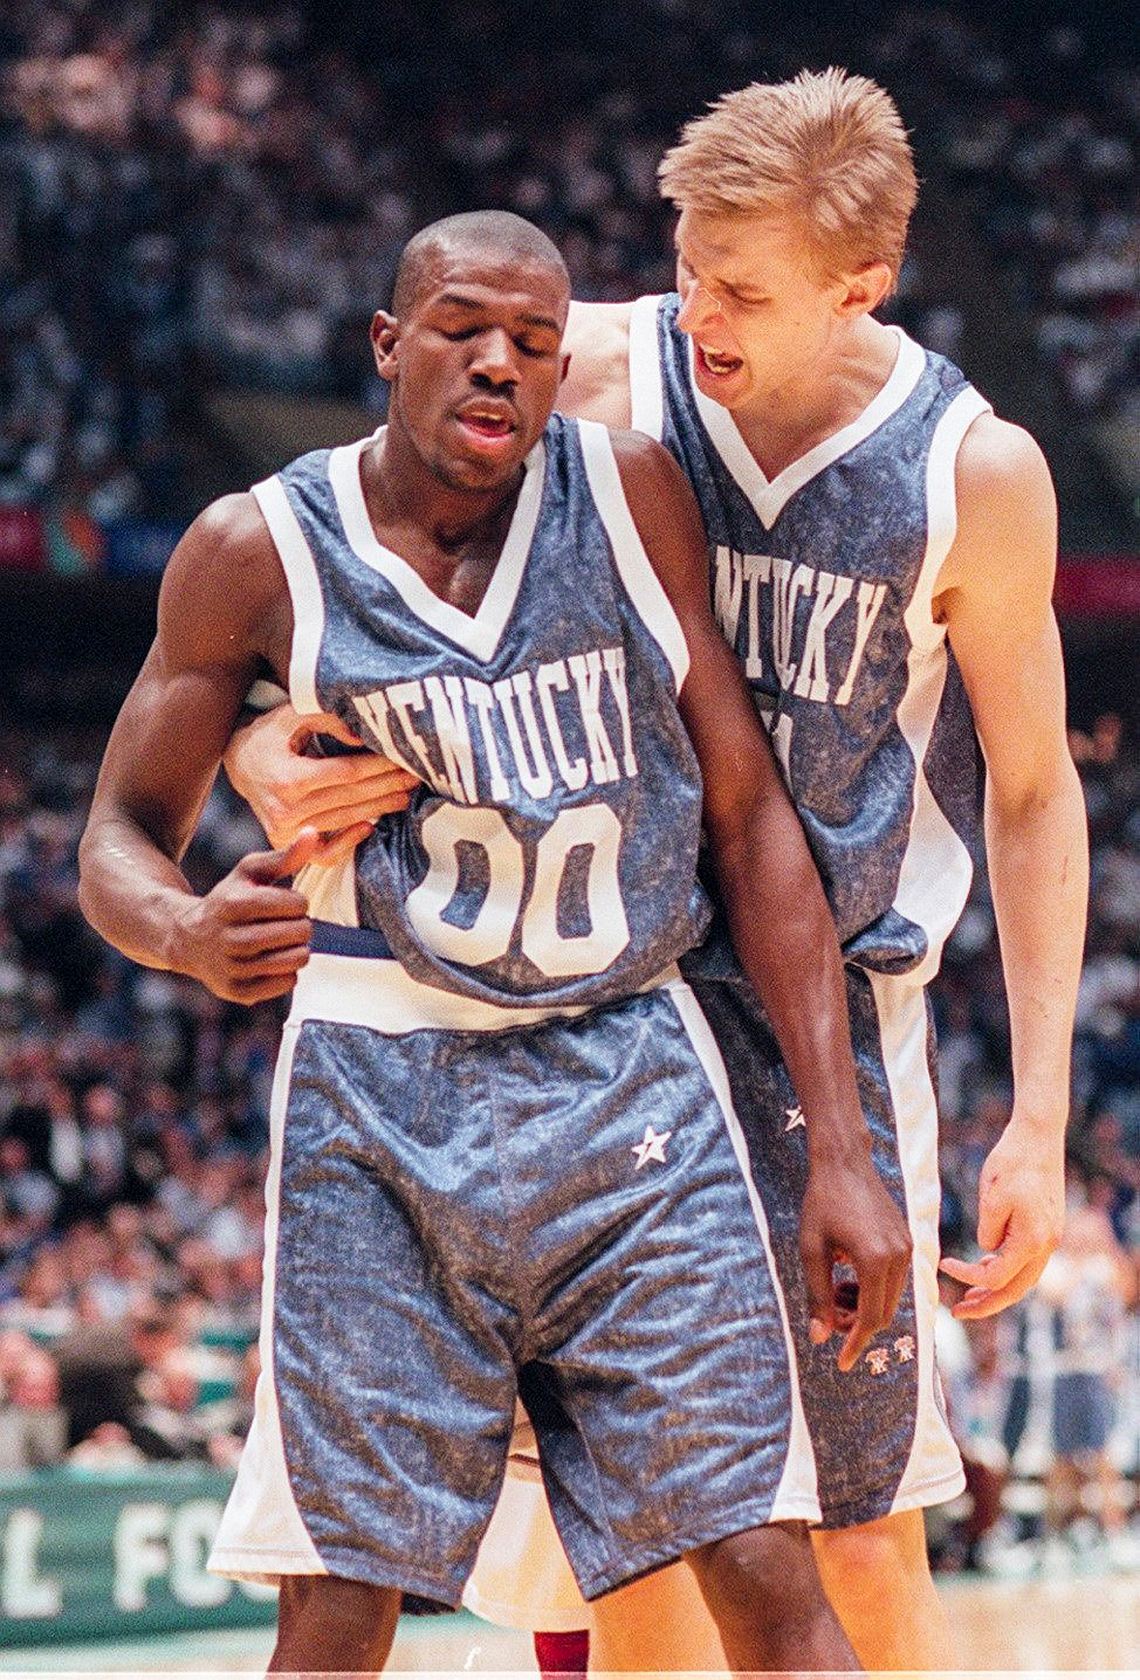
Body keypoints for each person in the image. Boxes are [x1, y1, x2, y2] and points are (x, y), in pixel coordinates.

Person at [229, 73, 1089, 1671]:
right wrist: (257, 743)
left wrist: (1038, 1121)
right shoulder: (603, 368)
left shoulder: (976, 474)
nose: (696, 309)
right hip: (609, 1011)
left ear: (862, 288)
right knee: (643, 1572)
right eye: (686, 265)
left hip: (835, 1027)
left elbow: (1035, 795)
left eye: (743, 288)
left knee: (868, 1545)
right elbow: (346, 571)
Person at [78, 209, 913, 1674]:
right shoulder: (255, 547)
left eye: (536, 342)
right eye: (463, 328)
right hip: (382, 1073)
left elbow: (753, 821)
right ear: (388, 345)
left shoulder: (631, 492)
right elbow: (116, 841)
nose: (500, 366)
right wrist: (190, 934)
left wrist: (839, 1147)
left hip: (629, 1072)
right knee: (339, 1601)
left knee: (769, 1565)